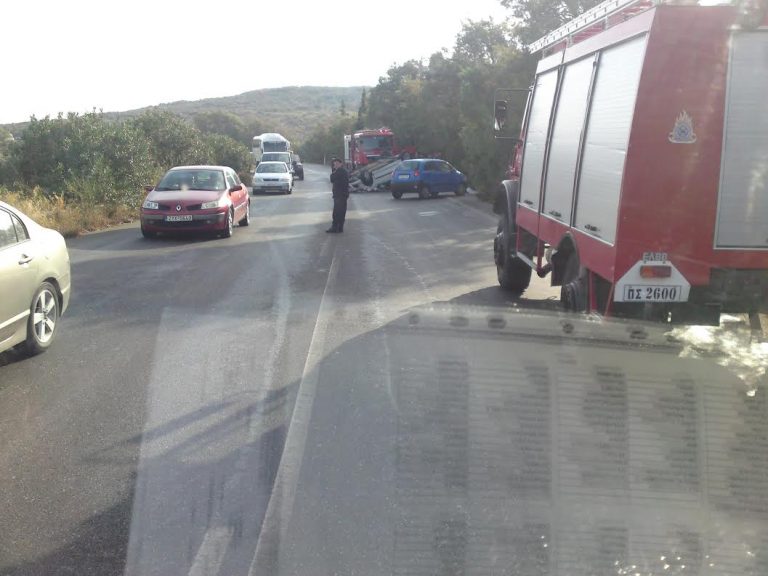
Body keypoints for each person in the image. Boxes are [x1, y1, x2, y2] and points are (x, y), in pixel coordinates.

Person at [328, 158, 349, 233]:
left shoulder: (340, 171)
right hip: (343, 194)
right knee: (342, 211)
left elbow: (331, 178)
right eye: (334, 164)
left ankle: (335, 227)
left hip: (339, 195)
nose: (335, 165)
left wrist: (333, 170)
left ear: (341, 164)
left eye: (336, 164)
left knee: (337, 212)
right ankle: (340, 227)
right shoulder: (343, 171)